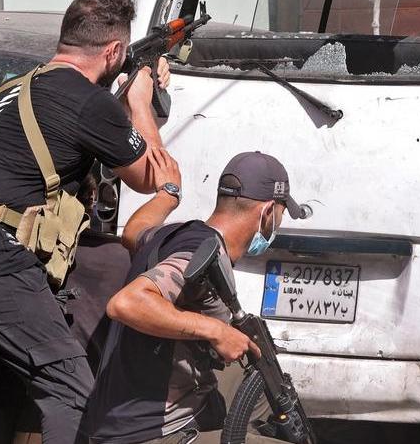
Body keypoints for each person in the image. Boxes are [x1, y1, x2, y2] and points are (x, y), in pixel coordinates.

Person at [0, 0, 173, 444]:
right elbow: (153, 175)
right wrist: (142, 100)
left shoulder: (13, 88)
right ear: (113, 51)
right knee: (72, 393)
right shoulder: (90, 103)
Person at [80, 150, 307, 444]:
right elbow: (127, 303)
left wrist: (168, 196)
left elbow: (133, 232)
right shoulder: (202, 251)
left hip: (124, 412)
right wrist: (215, 330)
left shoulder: (174, 235)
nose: (280, 222)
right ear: (266, 212)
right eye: (280, 213)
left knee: (262, 386)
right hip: (148, 433)